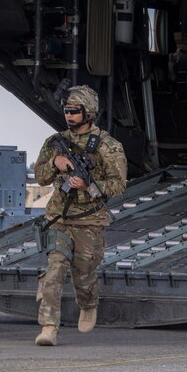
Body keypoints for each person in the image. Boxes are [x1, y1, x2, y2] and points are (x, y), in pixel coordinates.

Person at [32, 85, 127, 346]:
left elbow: (118, 185)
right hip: (59, 217)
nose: (69, 116)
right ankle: (49, 327)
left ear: (89, 112)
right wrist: (55, 163)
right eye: (66, 111)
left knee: (84, 275)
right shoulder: (55, 143)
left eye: (74, 111)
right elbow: (39, 176)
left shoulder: (108, 146)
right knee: (55, 268)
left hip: (90, 220)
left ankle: (88, 304)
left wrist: (89, 186)